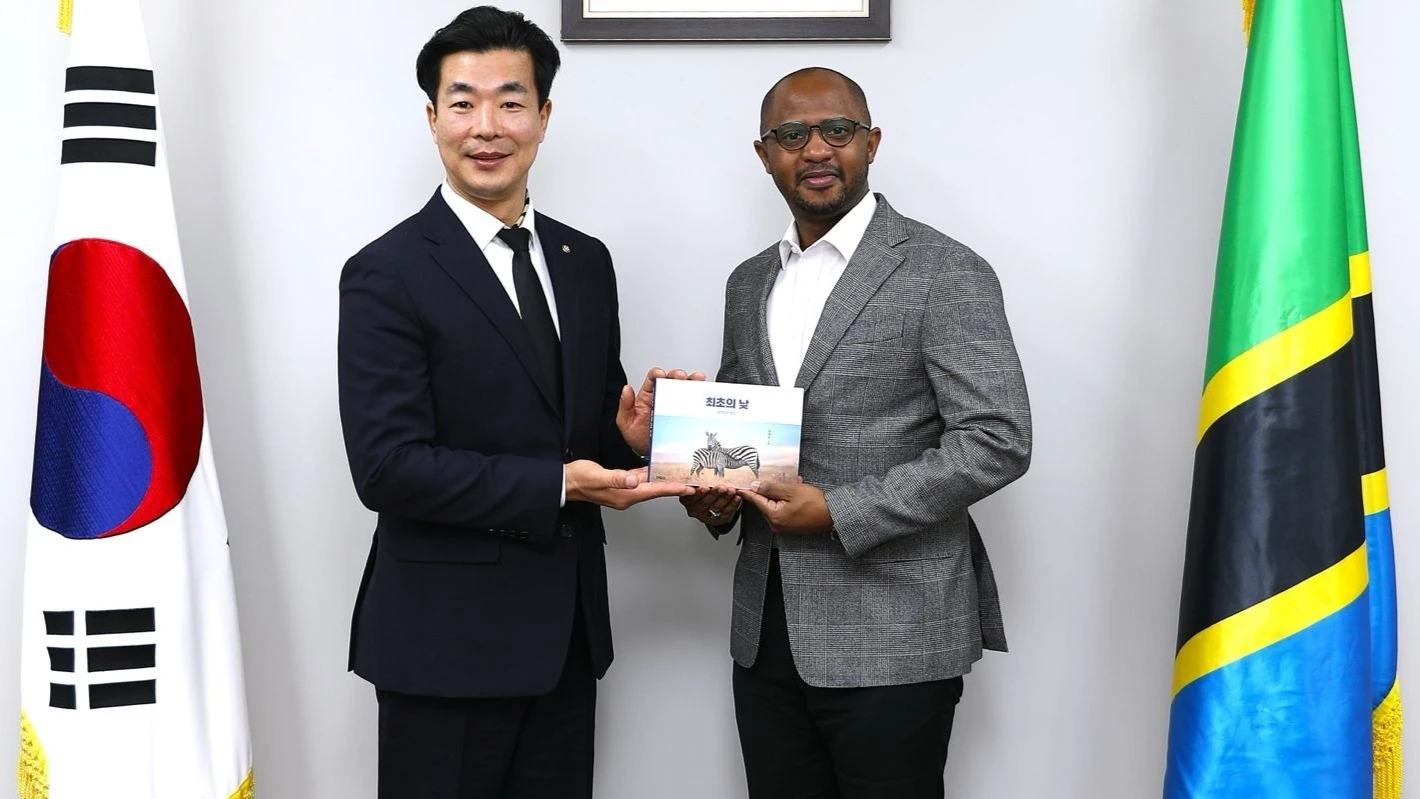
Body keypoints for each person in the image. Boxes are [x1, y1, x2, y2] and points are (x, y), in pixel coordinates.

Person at [336, 7, 693, 797]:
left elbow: (588, 420)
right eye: (462, 103)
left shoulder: (584, 260)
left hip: (564, 638)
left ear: (544, 115)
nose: (487, 126)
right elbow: (388, 468)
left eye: (510, 101)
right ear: (432, 118)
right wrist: (561, 482)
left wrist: (628, 432)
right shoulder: (385, 272)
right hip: (443, 644)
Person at [682, 67, 1032, 798]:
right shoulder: (748, 283)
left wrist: (840, 509)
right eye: (791, 134)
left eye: (837, 130)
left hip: (895, 633)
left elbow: (997, 436)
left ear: (871, 142)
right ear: (764, 154)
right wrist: (713, 493)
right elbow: (746, 434)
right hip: (766, 631)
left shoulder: (944, 271)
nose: (816, 149)